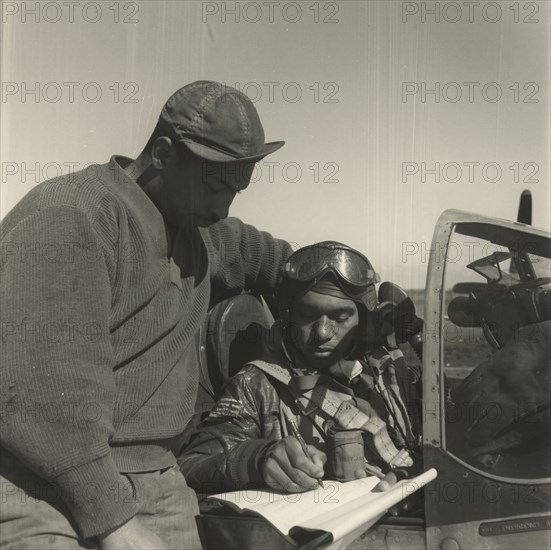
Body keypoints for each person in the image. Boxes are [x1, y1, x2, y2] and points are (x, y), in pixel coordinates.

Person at [0, 81, 292, 549]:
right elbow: (42, 398)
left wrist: (360, 294)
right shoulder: (71, 217)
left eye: (236, 190)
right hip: (40, 482)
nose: (223, 207)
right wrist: (115, 523)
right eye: (216, 186)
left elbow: (272, 259)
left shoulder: (196, 229)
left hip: (157, 478)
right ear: (162, 153)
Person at [180, 241, 422, 496]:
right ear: (288, 316)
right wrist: (257, 459)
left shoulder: (383, 370)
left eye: (340, 318)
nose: (322, 333)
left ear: (362, 322)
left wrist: (412, 471)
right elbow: (190, 465)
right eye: (307, 314)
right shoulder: (256, 386)